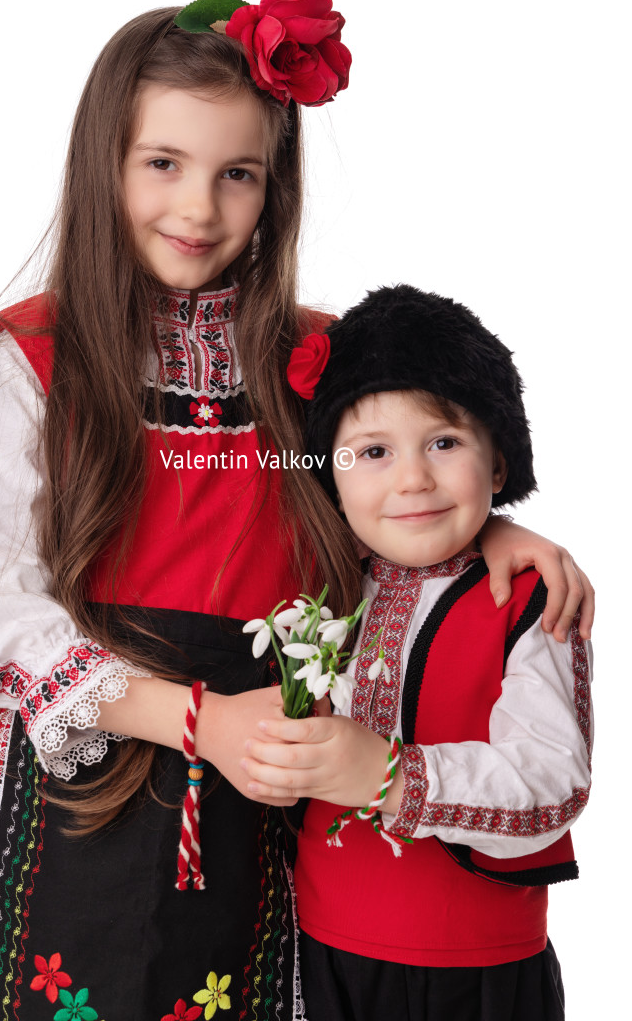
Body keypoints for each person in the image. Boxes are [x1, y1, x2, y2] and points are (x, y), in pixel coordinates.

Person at [0, 0, 590, 1020]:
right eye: (163, 164)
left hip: (276, 788)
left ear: (277, 187)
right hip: (87, 783)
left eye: (239, 174)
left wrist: (488, 526)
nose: (199, 208)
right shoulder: (43, 359)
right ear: (105, 164)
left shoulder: (318, 358)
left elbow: (399, 479)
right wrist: (191, 718)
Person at [241, 284, 593, 1021]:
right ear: (329, 481)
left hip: (474, 973)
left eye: (444, 442)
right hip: (319, 953)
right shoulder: (323, 590)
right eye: (372, 451)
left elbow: (553, 785)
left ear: (497, 466)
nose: (412, 478)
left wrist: (390, 775)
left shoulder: (528, 598)